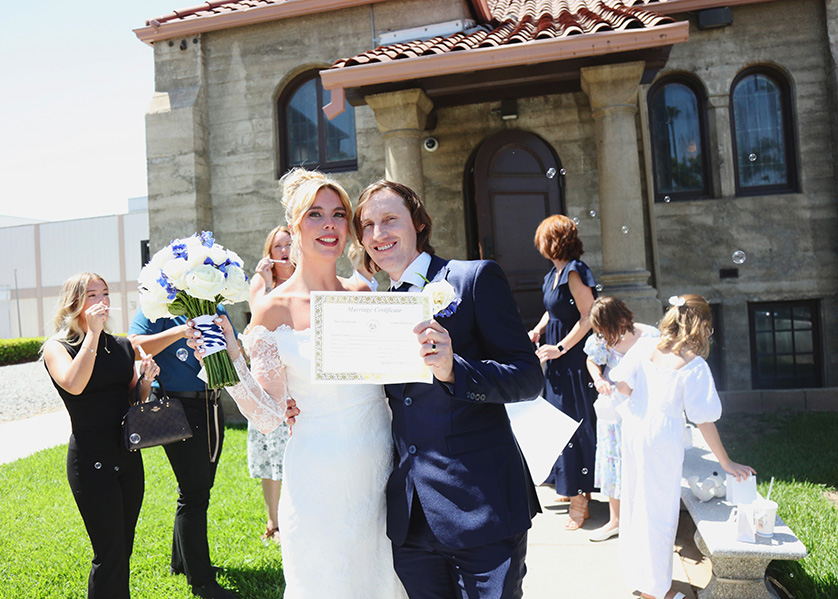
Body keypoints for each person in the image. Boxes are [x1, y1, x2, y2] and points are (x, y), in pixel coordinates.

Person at [194, 168, 408, 598]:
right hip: (317, 474)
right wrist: (227, 361)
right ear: (294, 227)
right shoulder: (274, 310)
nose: (329, 224)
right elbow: (270, 416)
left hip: (380, 465)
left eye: (337, 214)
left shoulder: (366, 294)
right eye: (315, 214)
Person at [351, 180, 543, 599]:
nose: (377, 234)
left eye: (389, 220)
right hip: (413, 518)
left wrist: (454, 369)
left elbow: (528, 377)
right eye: (367, 226)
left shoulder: (473, 278)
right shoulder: (371, 309)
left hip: (483, 507)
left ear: (418, 223)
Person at [610, 294, 755, 599]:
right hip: (661, 438)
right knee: (660, 512)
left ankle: (641, 577)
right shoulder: (694, 365)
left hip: (634, 429)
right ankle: (657, 590)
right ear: (700, 325)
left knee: (637, 502)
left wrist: (640, 406)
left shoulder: (647, 344)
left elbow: (621, 385)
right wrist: (726, 463)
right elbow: (704, 419)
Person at [43, 272, 158, 599]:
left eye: (105, 294)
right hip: (90, 459)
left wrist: (145, 381)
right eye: (92, 295)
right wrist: (92, 335)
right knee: (108, 552)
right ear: (74, 303)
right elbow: (75, 385)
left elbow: (132, 401)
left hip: (127, 454)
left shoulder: (121, 346)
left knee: (124, 548)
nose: (101, 301)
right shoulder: (58, 347)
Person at [128, 302, 236, 599]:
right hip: (178, 406)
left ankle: (182, 562)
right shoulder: (156, 306)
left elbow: (233, 346)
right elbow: (133, 344)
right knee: (194, 492)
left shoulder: (214, 304)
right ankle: (202, 582)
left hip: (212, 402)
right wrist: (179, 332)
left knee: (199, 487)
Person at [528, 214, 598, 530]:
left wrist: (561, 348)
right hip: (556, 357)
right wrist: (538, 329)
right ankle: (566, 485)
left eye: (542, 237)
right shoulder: (552, 274)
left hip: (572, 359)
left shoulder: (574, 272)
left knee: (573, 424)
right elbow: (552, 309)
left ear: (553, 240)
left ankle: (581, 498)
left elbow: (588, 316)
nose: (538, 243)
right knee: (556, 423)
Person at [583, 296, 659, 542]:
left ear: (622, 319)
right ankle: (615, 520)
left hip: (641, 411)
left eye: (607, 329)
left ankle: (644, 520)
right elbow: (592, 360)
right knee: (613, 462)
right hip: (613, 413)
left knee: (641, 462)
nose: (603, 336)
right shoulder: (601, 340)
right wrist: (599, 379)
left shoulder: (649, 337)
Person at [247, 225, 294, 543]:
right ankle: (273, 520)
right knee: (270, 452)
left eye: (290, 244)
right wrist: (262, 283)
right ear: (270, 252)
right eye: (278, 246)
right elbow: (254, 327)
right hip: (270, 377)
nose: (285, 250)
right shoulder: (262, 284)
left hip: (299, 376)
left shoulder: (309, 278)